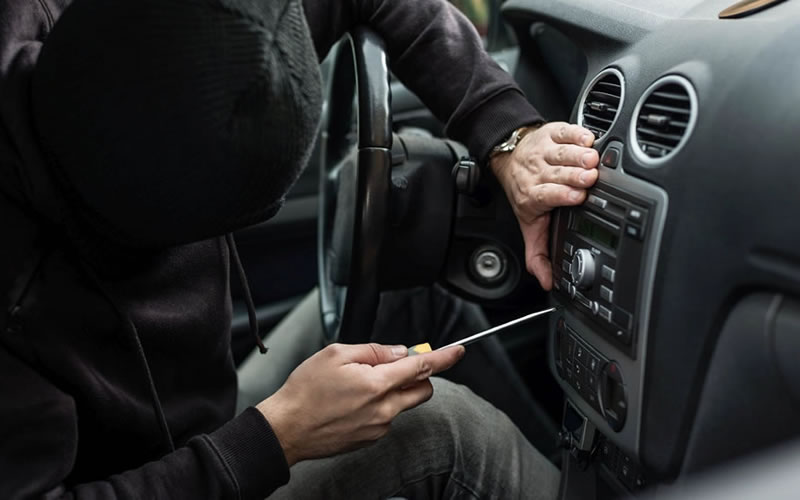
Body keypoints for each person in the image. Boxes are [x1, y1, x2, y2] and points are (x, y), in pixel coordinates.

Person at [0, 0, 600, 498]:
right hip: (154, 481)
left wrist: (506, 135)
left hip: (201, 423)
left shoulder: (187, 32)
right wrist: (278, 436)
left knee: (415, 303)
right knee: (445, 430)